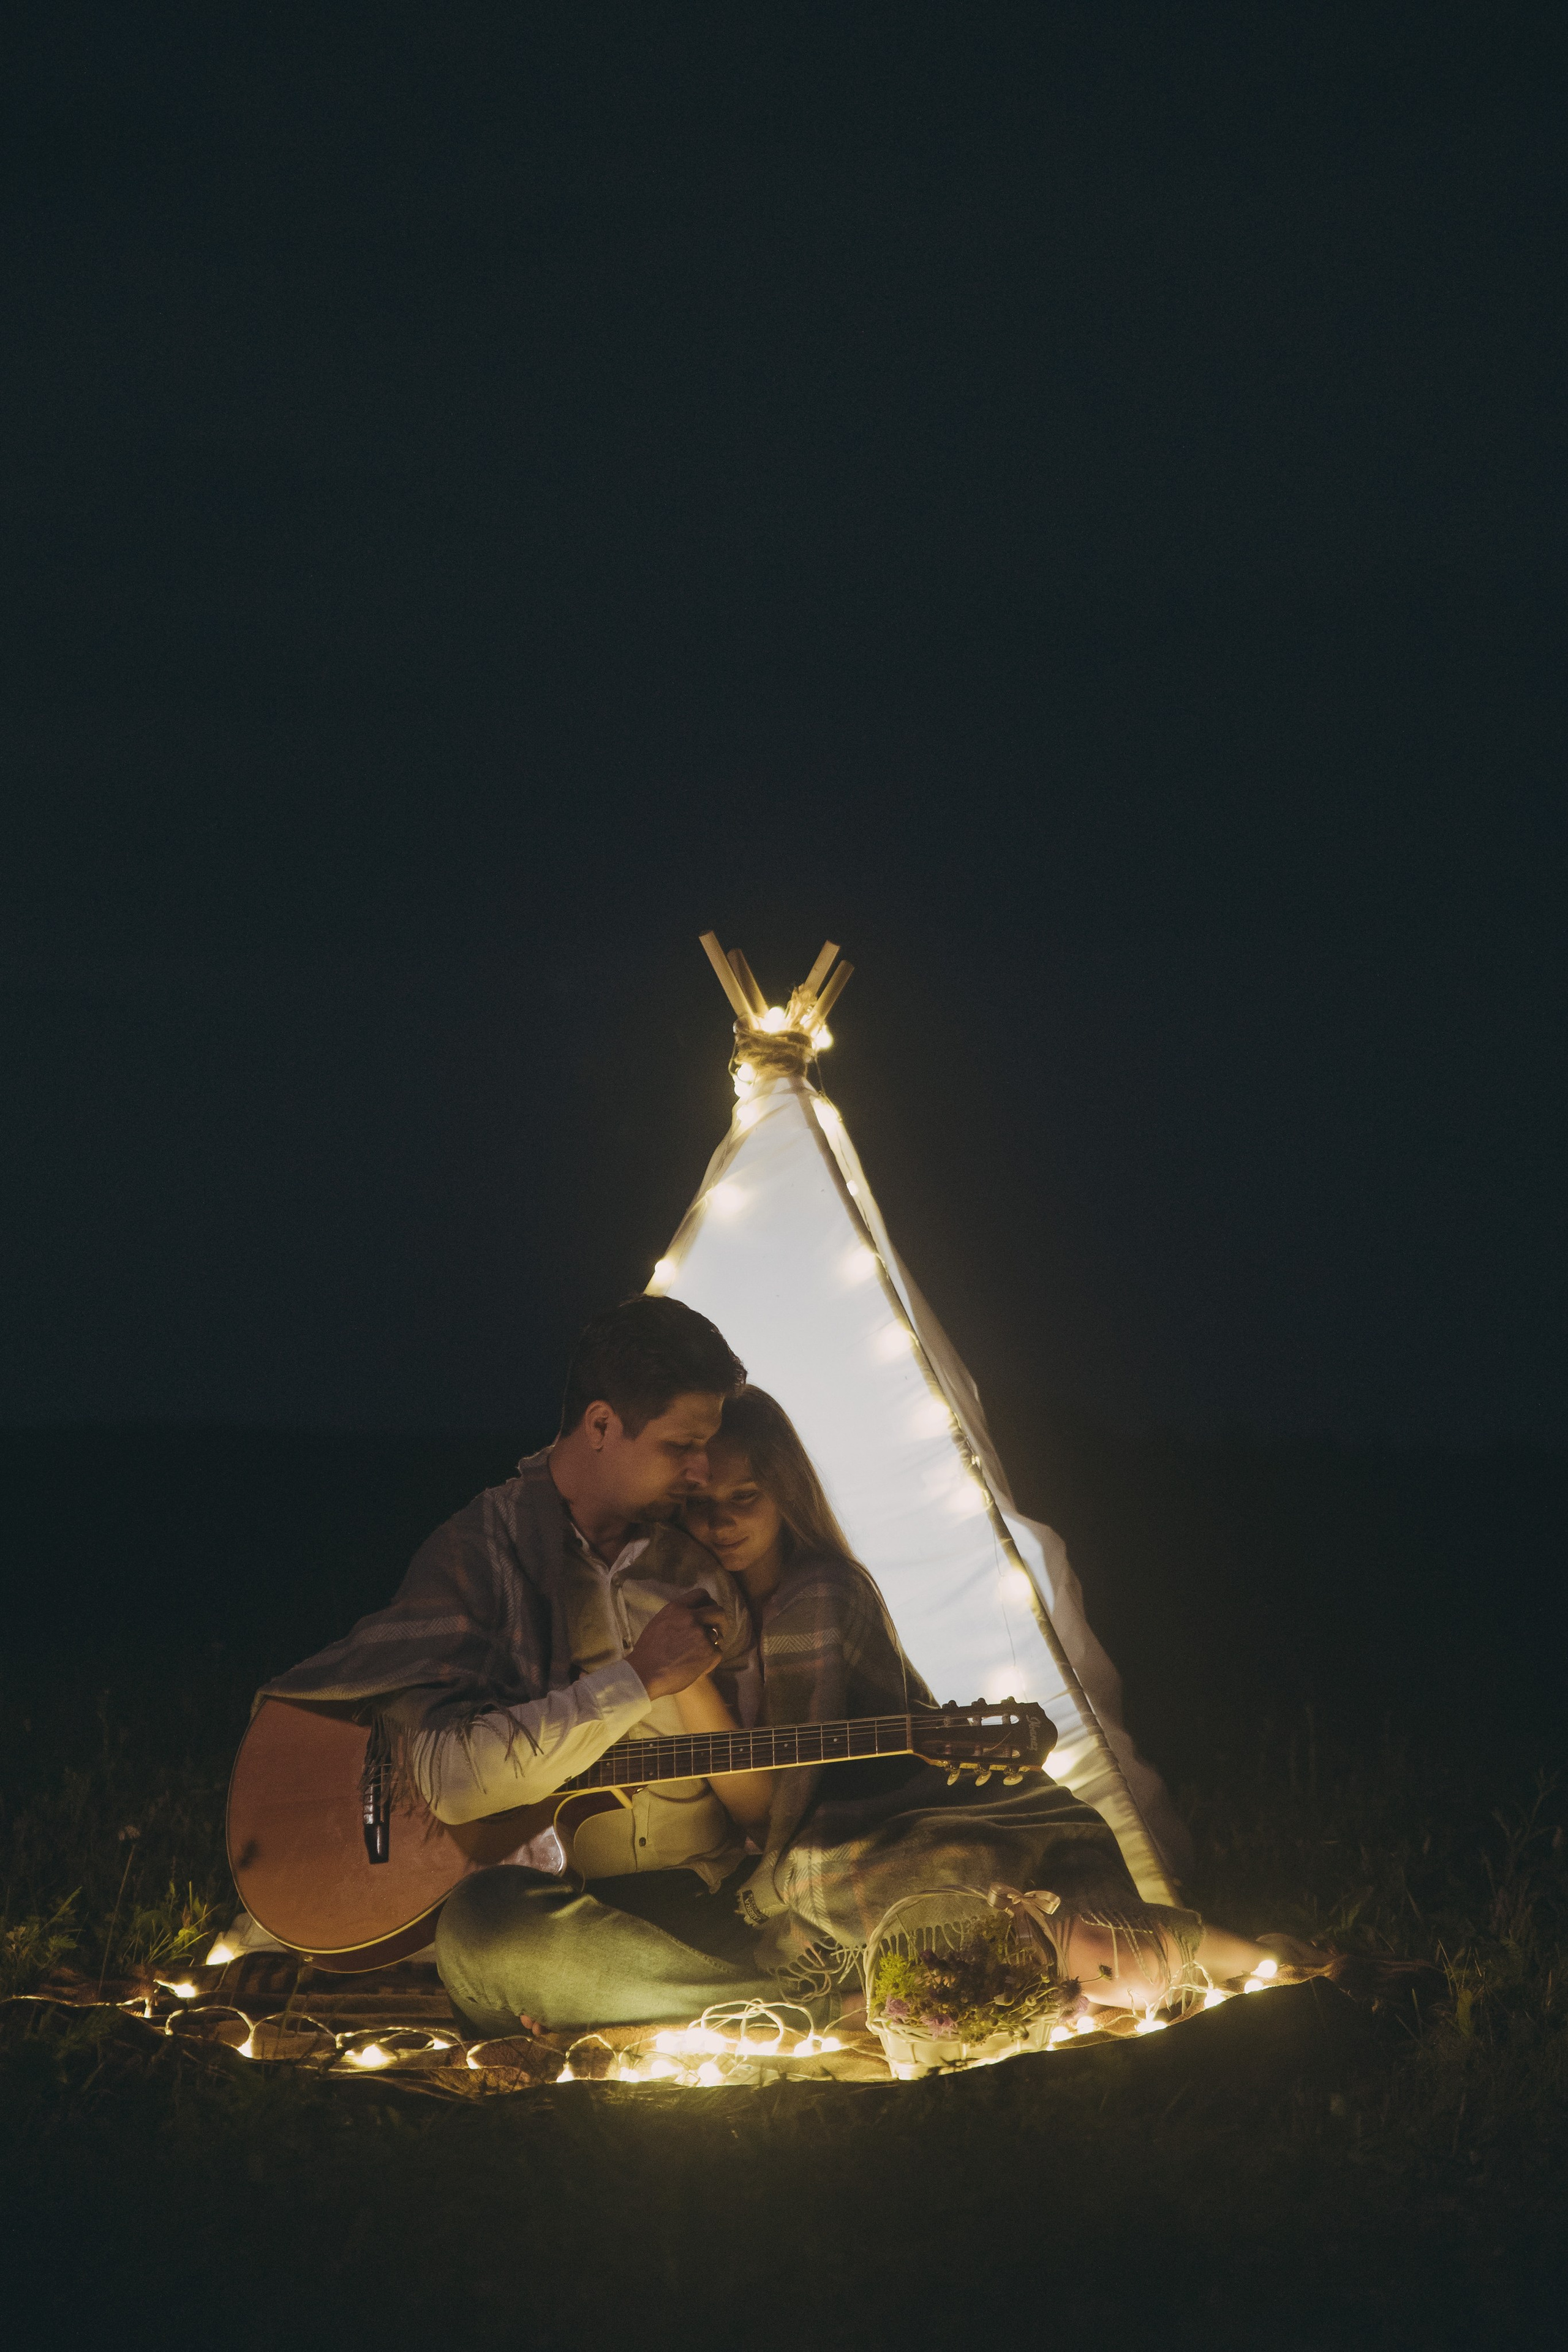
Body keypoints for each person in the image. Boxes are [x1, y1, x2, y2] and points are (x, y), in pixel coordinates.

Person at [261, 1296, 786, 2037]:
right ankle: (776, 2007)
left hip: (710, 1896)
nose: (702, 1473)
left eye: (708, 1445)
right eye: (680, 1447)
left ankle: (714, 1996)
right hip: (565, 1911)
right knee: (484, 1933)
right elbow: (446, 1778)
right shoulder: (480, 1553)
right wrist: (638, 1679)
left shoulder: (695, 1566)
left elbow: (758, 1800)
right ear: (602, 1425)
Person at [677, 1384, 1289, 2018]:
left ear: (785, 1493)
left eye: (743, 1498)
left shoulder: (820, 1597)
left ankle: (1261, 1961)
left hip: (887, 1813)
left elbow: (777, 1809)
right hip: (820, 1839)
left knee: (990, 1892)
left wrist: (686, 1682)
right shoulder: (697, 1606)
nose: (719, 1523)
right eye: (697, 1504)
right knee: (970, 1932)